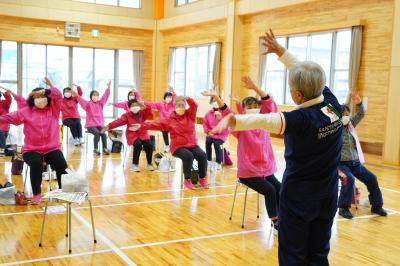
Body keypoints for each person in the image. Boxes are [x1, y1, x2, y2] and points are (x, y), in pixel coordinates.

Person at [212, 29, 343, 266]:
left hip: (299, 198)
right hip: (327, 196)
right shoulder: (333, 106)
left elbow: (268, 120)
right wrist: (282, 53)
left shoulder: (301, 120)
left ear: (297, 95)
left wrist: (234, 120)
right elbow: (308, 74)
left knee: (293, 255)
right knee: (319, 254)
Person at [0, 78, 68, 204]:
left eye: (42, 96)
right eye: (37, 97)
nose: (40, 99)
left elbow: (58, 95)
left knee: (60, 162)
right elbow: (9, 117)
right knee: (36, 163)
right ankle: (36, 194)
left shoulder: (53, 110)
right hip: (31, 150)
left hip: (51, 148)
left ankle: (62, 189)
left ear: (47, 98)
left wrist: (46, 90)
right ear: (32, 99)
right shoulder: (26, 112)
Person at [228, 76, 281, 232]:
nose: (253, 107)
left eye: (255, 104)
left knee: (280, 188)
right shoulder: (242, 127)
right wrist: (218, 98)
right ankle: (276, 222)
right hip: (248, 173)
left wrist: (256, 88)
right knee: (270, 190)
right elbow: (229, 114)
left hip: (266, 170)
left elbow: (269, 105)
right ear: (243, 110)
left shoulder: (265, 123)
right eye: (248, 105)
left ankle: (283, 217)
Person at [137, 96, 209, 189]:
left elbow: (194, 105)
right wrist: (141, 126)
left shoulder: (190, 115)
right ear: (174, 107)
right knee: (188, 156)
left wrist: (188, 99)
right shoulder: (169, 119)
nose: (181, 107)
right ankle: (187, 180)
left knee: (202, 155)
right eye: (179, 105)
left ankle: (202, 178)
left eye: (183, 105)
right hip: (178, 147)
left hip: (192, 145)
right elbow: (155, 124)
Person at [338, 91, 387, 219]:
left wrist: (359, 102)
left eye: (348, 115)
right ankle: (343, 208)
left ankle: (376, 206)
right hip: (340, 165)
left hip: (355, 163)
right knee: (348, 179)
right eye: (344, 115)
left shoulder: (351, 124)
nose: (346, 117)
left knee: (372, 178)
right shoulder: (334, 128)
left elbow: (361, 113)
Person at [102, 99, 155, 172]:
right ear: (130, 107)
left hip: (142, 133)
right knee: (138, 144)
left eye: (136, 105)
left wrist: (143, 105)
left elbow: (150, 113)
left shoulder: (142, 113)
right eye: (133, 106)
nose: (135, 107)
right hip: (132, 135)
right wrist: (109, 126)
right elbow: (118, 122)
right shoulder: (127, 115)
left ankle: (149, 163)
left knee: (149, 144)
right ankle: (135, 164)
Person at [74, 81, 111, 156]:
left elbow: (105, 96)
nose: (95, 96)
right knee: (97, 133)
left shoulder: (100, 103)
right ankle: (96, 149)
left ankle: (104, 148)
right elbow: (81, 100)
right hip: (90, 126)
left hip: (99, 125)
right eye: (94, 95)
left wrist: (108, 88)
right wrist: (77, 96)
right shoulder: (88, 104)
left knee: (103, 134)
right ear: (91, 96)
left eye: (97, 95)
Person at [201, 90, 229, 170]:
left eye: (216, 100)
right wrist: (208, 132)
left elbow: (226, 126)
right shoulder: (208, 113)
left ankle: (218, 162)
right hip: (211, 134)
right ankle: (208, 160)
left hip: (221, 135)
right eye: (213, 101)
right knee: (208, 141)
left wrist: (221, 118)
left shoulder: (224, 112)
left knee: (217, 144)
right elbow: (205, 124)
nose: (215, 102)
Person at [144, 86, 176, 152]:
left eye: (170, 97)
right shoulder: (161, 104)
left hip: (171, 124)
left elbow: (175, 98)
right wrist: (143, 102)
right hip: (163, 124)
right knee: (164, 131)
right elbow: (152, 103)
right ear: (164, 98)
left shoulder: (173, 104)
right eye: (167, 97)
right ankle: (167, 146)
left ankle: (174, 146)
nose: (169, 98)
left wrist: (173, 91)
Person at [0, 87, 12, 156]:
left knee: (0, 132)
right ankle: (6, 150)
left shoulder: (4, 103)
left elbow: (9, 98)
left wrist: (3, 92)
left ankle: (2, 151)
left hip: (3, 128)